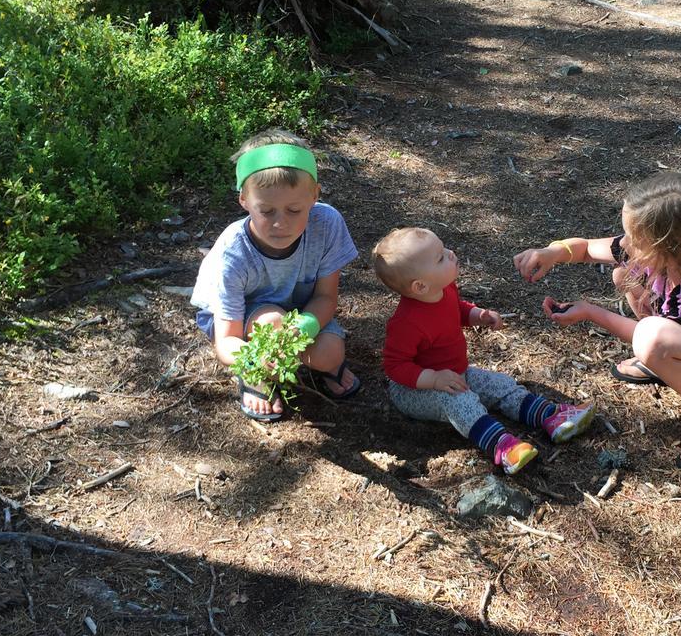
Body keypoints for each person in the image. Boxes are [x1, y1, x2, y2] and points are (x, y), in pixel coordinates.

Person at [513, 172, 681, 473]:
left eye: (635, 238)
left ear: (665, 248)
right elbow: (589, 248)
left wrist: (591, 312)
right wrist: (552, 252)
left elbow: (646, 336)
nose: (627, 243)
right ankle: (666, 364)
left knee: (652, 341)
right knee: (624, 274)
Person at [373, 227, 596, 474]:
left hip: (457, 373)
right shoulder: (407, 323)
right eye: (440, 257)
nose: (450, 253)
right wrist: (434, 379)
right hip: (414, 391)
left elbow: (455, 310)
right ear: (420, 286)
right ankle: (501, 446)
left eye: (444, 248)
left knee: (500, 384)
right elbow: (395, 367)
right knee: (459, 401)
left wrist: (478, 315)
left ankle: (550, 416)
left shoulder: (444, 289)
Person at [191, 130, 361, 422]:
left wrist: (306, 327)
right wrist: (257, 359)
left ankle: (295, 364)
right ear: (244, 200)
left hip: (299, 309)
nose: (280, 223)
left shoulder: (327, 223)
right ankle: (255, 377)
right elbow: (227, 341)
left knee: (330, 353)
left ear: (315, 195)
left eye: (294, 209)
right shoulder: (233, 253)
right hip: (239, 318)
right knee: (272, 322)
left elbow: (325, 297)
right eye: (266, 210)